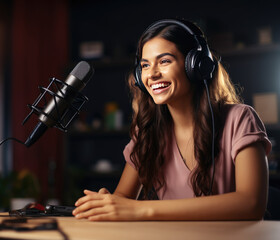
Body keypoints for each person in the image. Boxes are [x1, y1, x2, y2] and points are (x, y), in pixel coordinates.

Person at [72, 19, 271, 221]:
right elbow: (124, 197)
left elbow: (251, 203)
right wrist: (110, 203)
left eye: (165, 61)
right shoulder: (148, 131)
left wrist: (142, 210)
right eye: (145, 65)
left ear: (195, 65)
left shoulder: (240, 119)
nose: (153, 74)